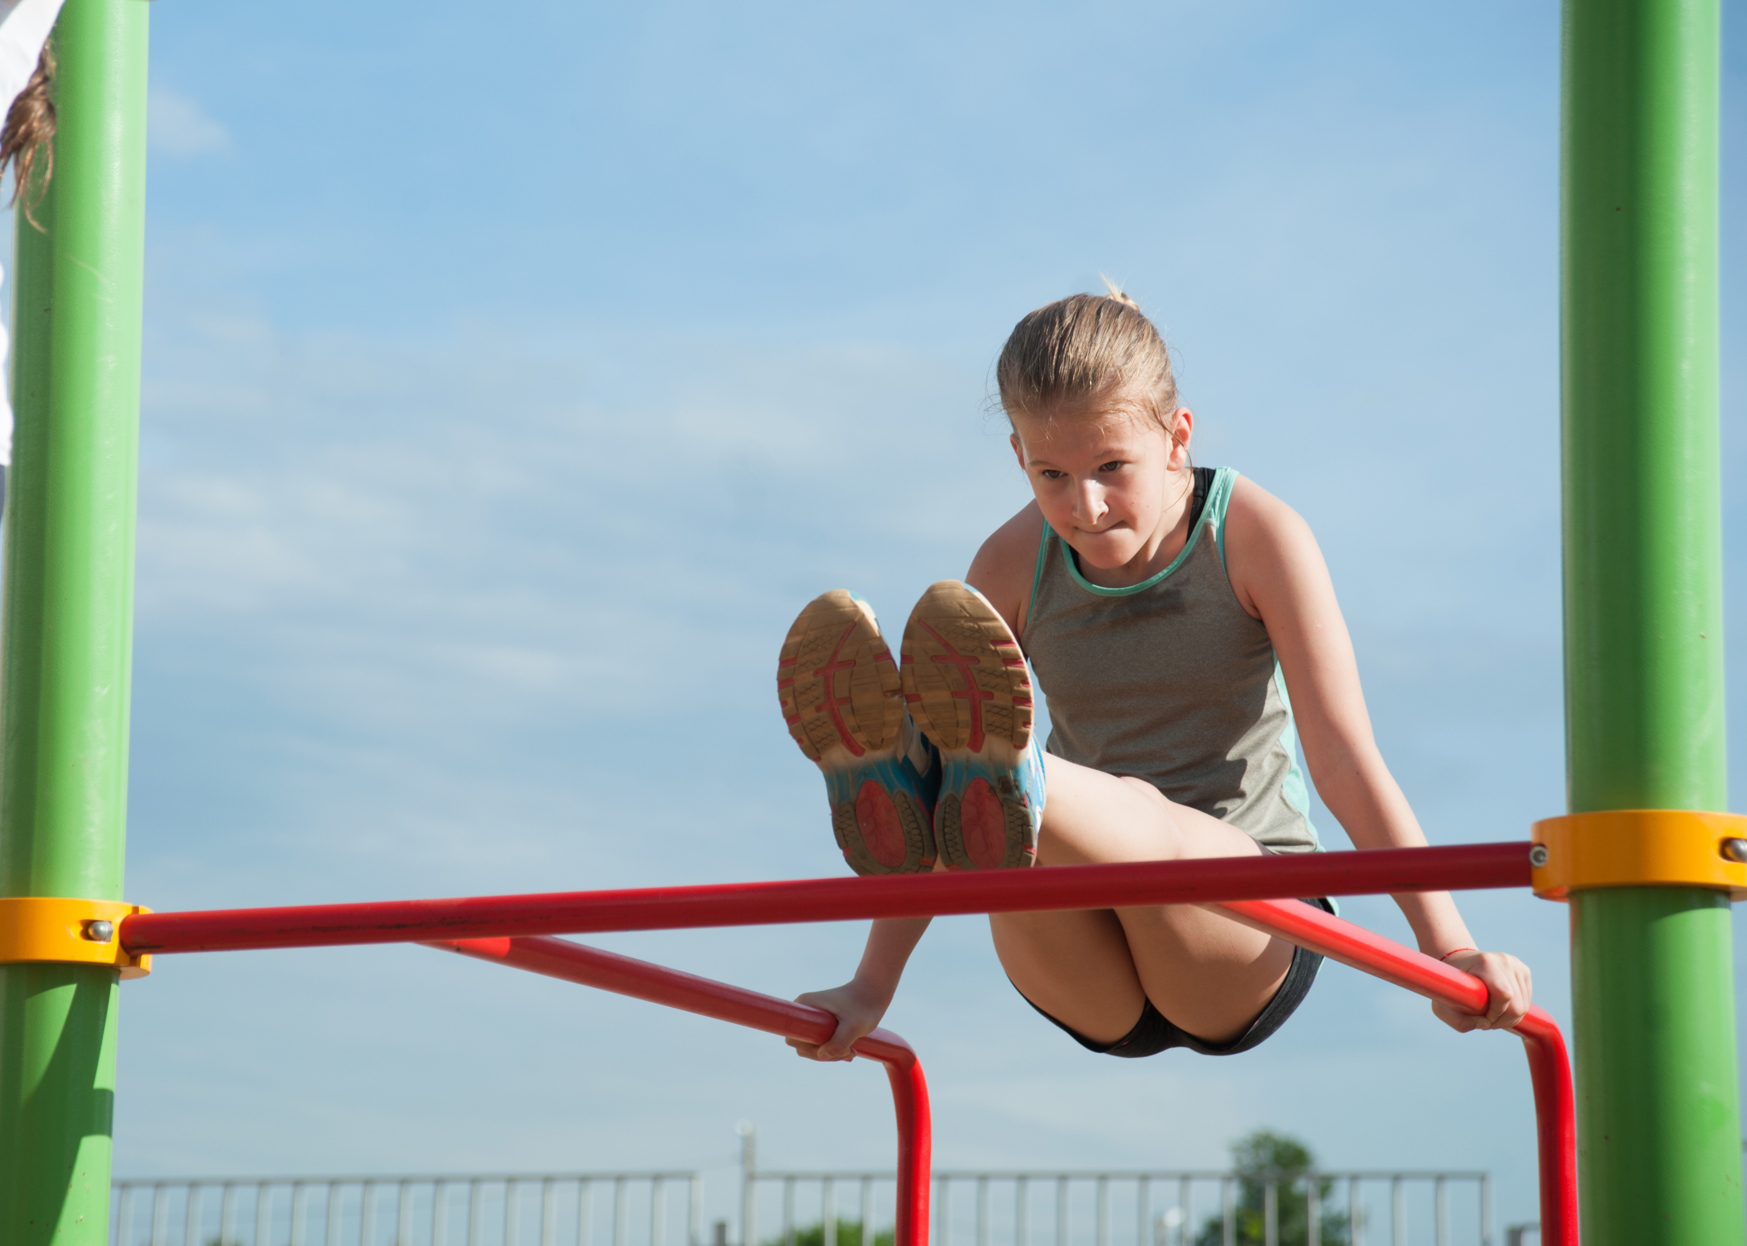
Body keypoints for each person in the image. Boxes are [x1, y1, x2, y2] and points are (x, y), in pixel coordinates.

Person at [775, 286, 1532, 1064]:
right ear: (1016, 457)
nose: (1087, 505)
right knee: (996, 828)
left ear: (1176, 437)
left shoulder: (1253, 535)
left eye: (1110, 467)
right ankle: (942, 766)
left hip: (1247, 929)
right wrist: (870, 988)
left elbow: (1343, 758)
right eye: (1051, 476)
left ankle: (993, 769)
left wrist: (1448, 949)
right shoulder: (1007, 566)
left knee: (1095, 803)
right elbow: (950, 821)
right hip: (1082, 951)